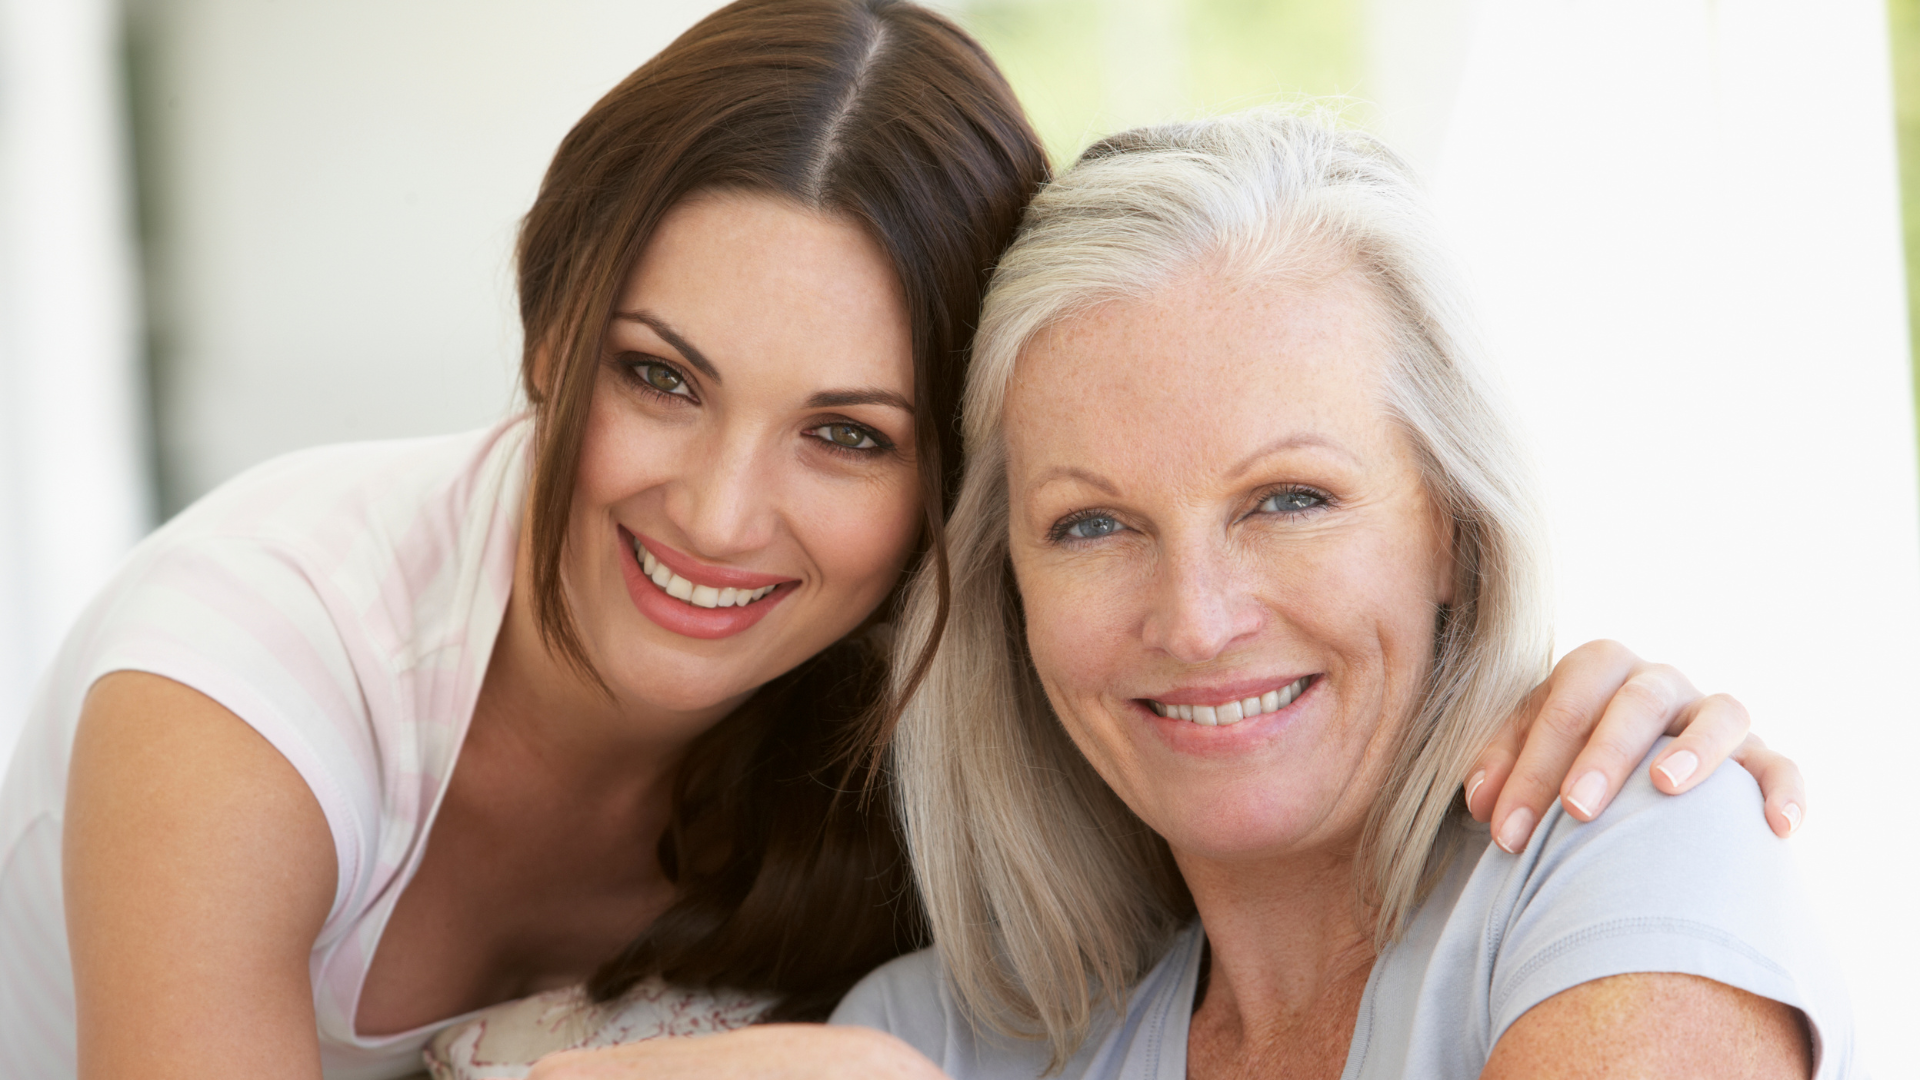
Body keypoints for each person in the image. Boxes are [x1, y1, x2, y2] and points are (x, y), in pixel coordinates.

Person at [0, 5, 1801, 1077]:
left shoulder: (1613, 835)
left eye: (1291, 498)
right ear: (547, 334)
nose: (722, 512)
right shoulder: (254, 664)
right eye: (658, 376)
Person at [822, 111, 1855, 1078]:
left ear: (1455, 530)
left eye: (1290, 499)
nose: (1196, 622)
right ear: (1008, 585)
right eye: (1092, 524)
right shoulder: (929, 1041)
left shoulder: (1640, 846)